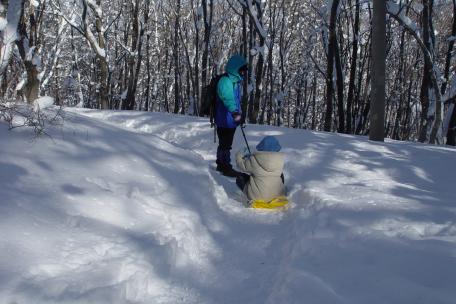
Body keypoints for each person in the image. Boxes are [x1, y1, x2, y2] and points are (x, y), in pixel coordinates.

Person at [214, 54, 248, 177]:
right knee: (225, 144)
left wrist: (239, 115)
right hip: (224, 119)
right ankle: (225, 166)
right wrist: (235, 113)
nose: (243, 73)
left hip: (230, 119)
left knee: (226, 143)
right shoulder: (225, 81)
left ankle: (221, 164)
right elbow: (227, 98)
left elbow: (236, 101)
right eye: (242, 70)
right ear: (236, 68)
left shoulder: (235, 81)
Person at [235, 136, 286, 202]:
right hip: (277, 195)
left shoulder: (254, 159)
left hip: (257, 197)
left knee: (240, 177)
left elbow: (240, 165)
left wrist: (239, 155)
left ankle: (250, 194)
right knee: (280, 174)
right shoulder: (280, 160)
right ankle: (276, 192)